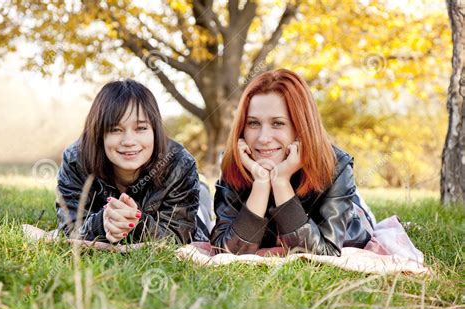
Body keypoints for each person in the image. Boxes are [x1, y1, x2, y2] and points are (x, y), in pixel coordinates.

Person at [210, 69, 375, 255]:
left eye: (278, 123)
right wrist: (261, 184)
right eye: (253, 123)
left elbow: (325, 254)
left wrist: (280, 182)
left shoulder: (337, 167)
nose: (263, 138)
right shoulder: (236, 161)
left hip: (352, 218)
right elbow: (223, 250)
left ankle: (356, 200)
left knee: (362, 215)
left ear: (300, 127)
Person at [56, 79, 209, 244]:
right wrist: (102, 222)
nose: (129, 141)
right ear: (99, 133)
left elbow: (178, 238)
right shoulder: (75, 160)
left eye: (141, 128)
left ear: (155, 130)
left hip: (196, 201)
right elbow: (69, 230)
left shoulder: (180, 164)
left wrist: (137, 223)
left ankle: (202, 188)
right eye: (115, 129)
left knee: (202, 208)